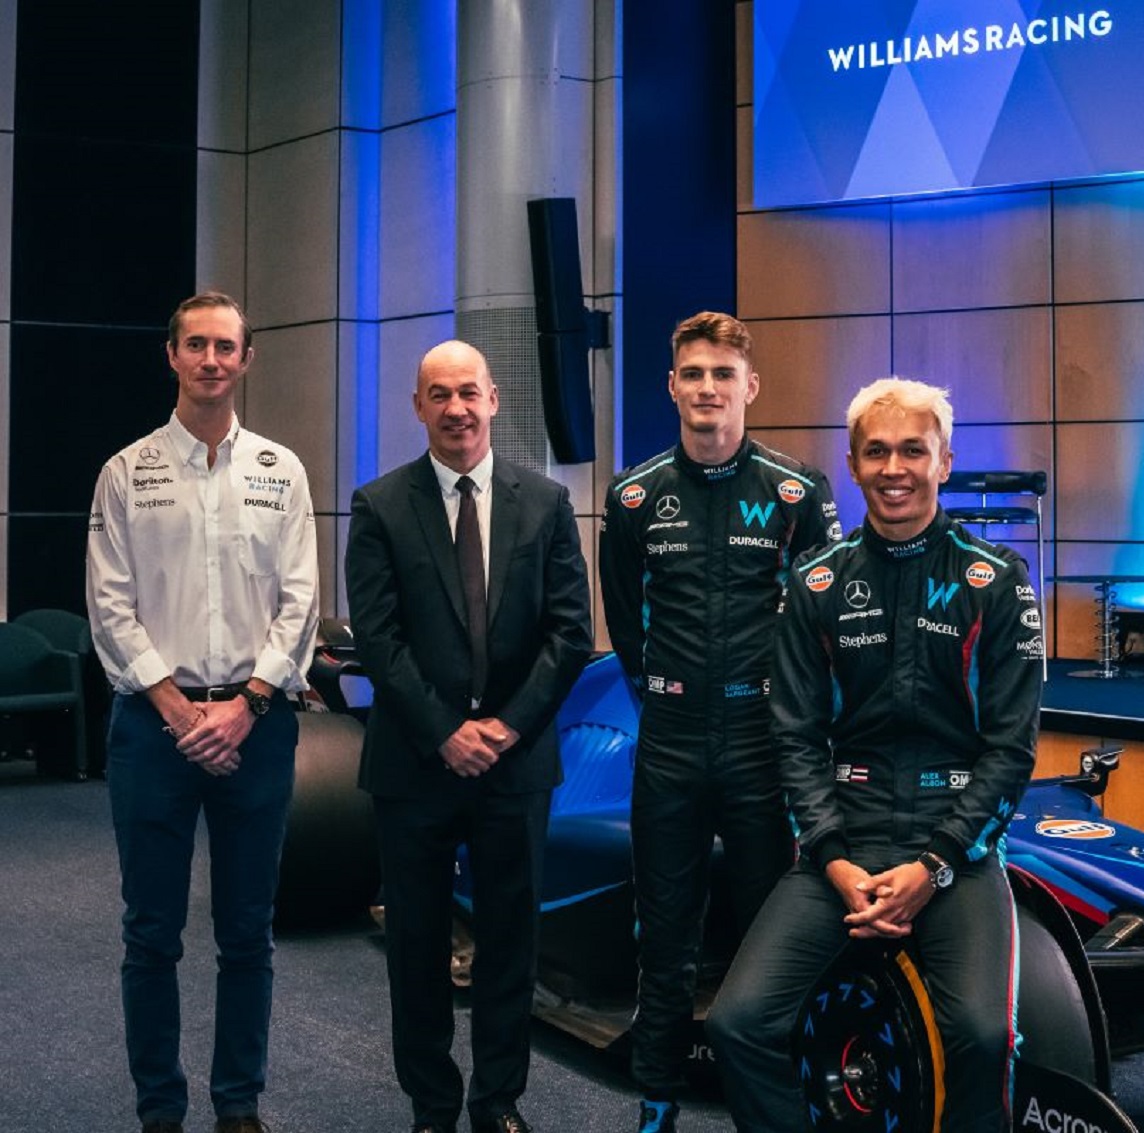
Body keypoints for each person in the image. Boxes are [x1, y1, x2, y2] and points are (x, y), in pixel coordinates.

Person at [705, 378, 1043, 1132]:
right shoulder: (816, 581)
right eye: (877, 452)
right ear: (853, 464)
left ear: (944, 462)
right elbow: (794, 738)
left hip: (954, 852)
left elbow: (1011, 750)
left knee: (984, 1036)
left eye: (913, 451)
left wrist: (934, 867)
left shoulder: (997, 581)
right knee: (737, 1023)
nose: (895, 469)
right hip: (843, 846)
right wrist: (833, 861)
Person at [599, 311, 840, 1133]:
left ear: (750, 386)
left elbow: (825, 628)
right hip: (669, 742)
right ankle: (656, 1103)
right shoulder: (634, 495)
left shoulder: (797, 492)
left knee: (772, 937)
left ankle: (771, 1109)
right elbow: (625, 621)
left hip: (762, 747)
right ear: (672, 386)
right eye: (694, 374)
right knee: (663, 938)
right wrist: (661, 692)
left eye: (723, 375)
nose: (708, 388)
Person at [345, 340, 594, 1133]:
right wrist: (446, 730)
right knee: (416, 945)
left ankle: (497, 1101)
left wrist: (507, 726)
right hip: (414, 764)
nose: (456, 408)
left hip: (515, 766)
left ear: (494, 399)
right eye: (439, 394)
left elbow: (571, 632)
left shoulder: (546, 503)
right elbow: (379, 639)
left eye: (468, 392)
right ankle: (432, 1106)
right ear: (418, 406)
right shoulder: (379, 505)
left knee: (511, 943)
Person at [87, 290, 320, 1133]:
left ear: (247, 359)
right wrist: (181, 710)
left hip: (257, 728)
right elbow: (110, 607)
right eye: (197, 345)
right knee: (151, 932)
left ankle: (237, 1104)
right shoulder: (126, 471)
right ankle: (160, 1107)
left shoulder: (281, 470)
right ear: (172, 355)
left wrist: (248, 704)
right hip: (152, 731)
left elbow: (300, 601)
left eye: (226, 346)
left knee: (247, 932)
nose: (212, 360)